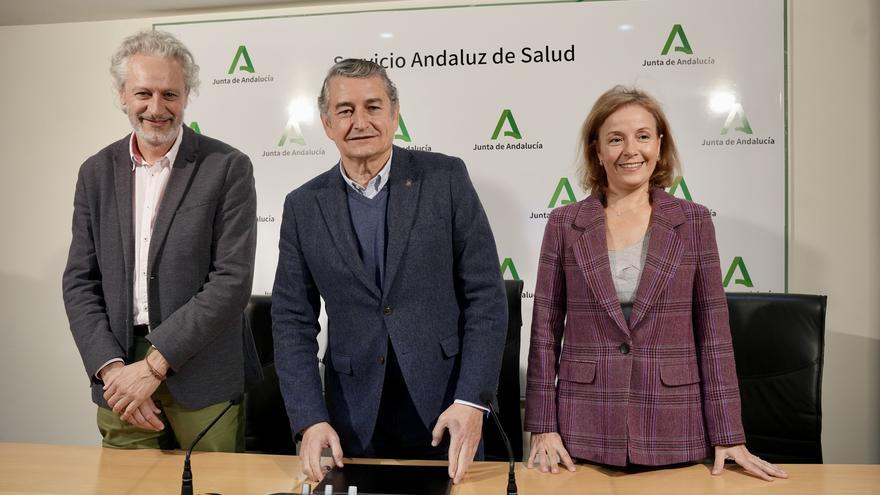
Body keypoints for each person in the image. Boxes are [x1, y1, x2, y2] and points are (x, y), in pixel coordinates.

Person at [523, 86, 788, 481]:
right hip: (583, 428)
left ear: (660, 145)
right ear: (597, 149)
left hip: (675, 426)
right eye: (616, 139)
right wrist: (543, 425)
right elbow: (544, 331)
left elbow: (714, 333)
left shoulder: (694, 222)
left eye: (643, 136)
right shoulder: (564, 224)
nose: (631, 150)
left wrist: (729, 433)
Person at [271, 59, 507, 484]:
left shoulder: (446, 178)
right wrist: (309, 418)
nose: (360, 122)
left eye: (373, 107)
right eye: (345, 110)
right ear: (326, 124)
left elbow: (486, 298)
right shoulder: (303, 206)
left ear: (395, 114)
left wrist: (472, 401)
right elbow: (292, 320)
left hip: (447, 409)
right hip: (352, 420)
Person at [62, 30, 260, 452]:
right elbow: (80, 281)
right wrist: (111, 370)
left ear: (187, 95)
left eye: (170, 94)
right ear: (122, 95)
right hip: (118, 369)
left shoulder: (227, 167)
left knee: (211, 481)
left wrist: (153, 366)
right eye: (143, 93)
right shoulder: (95, 173)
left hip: (203, 367)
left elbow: (231, 281)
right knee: (126, 482)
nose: (156, 108)